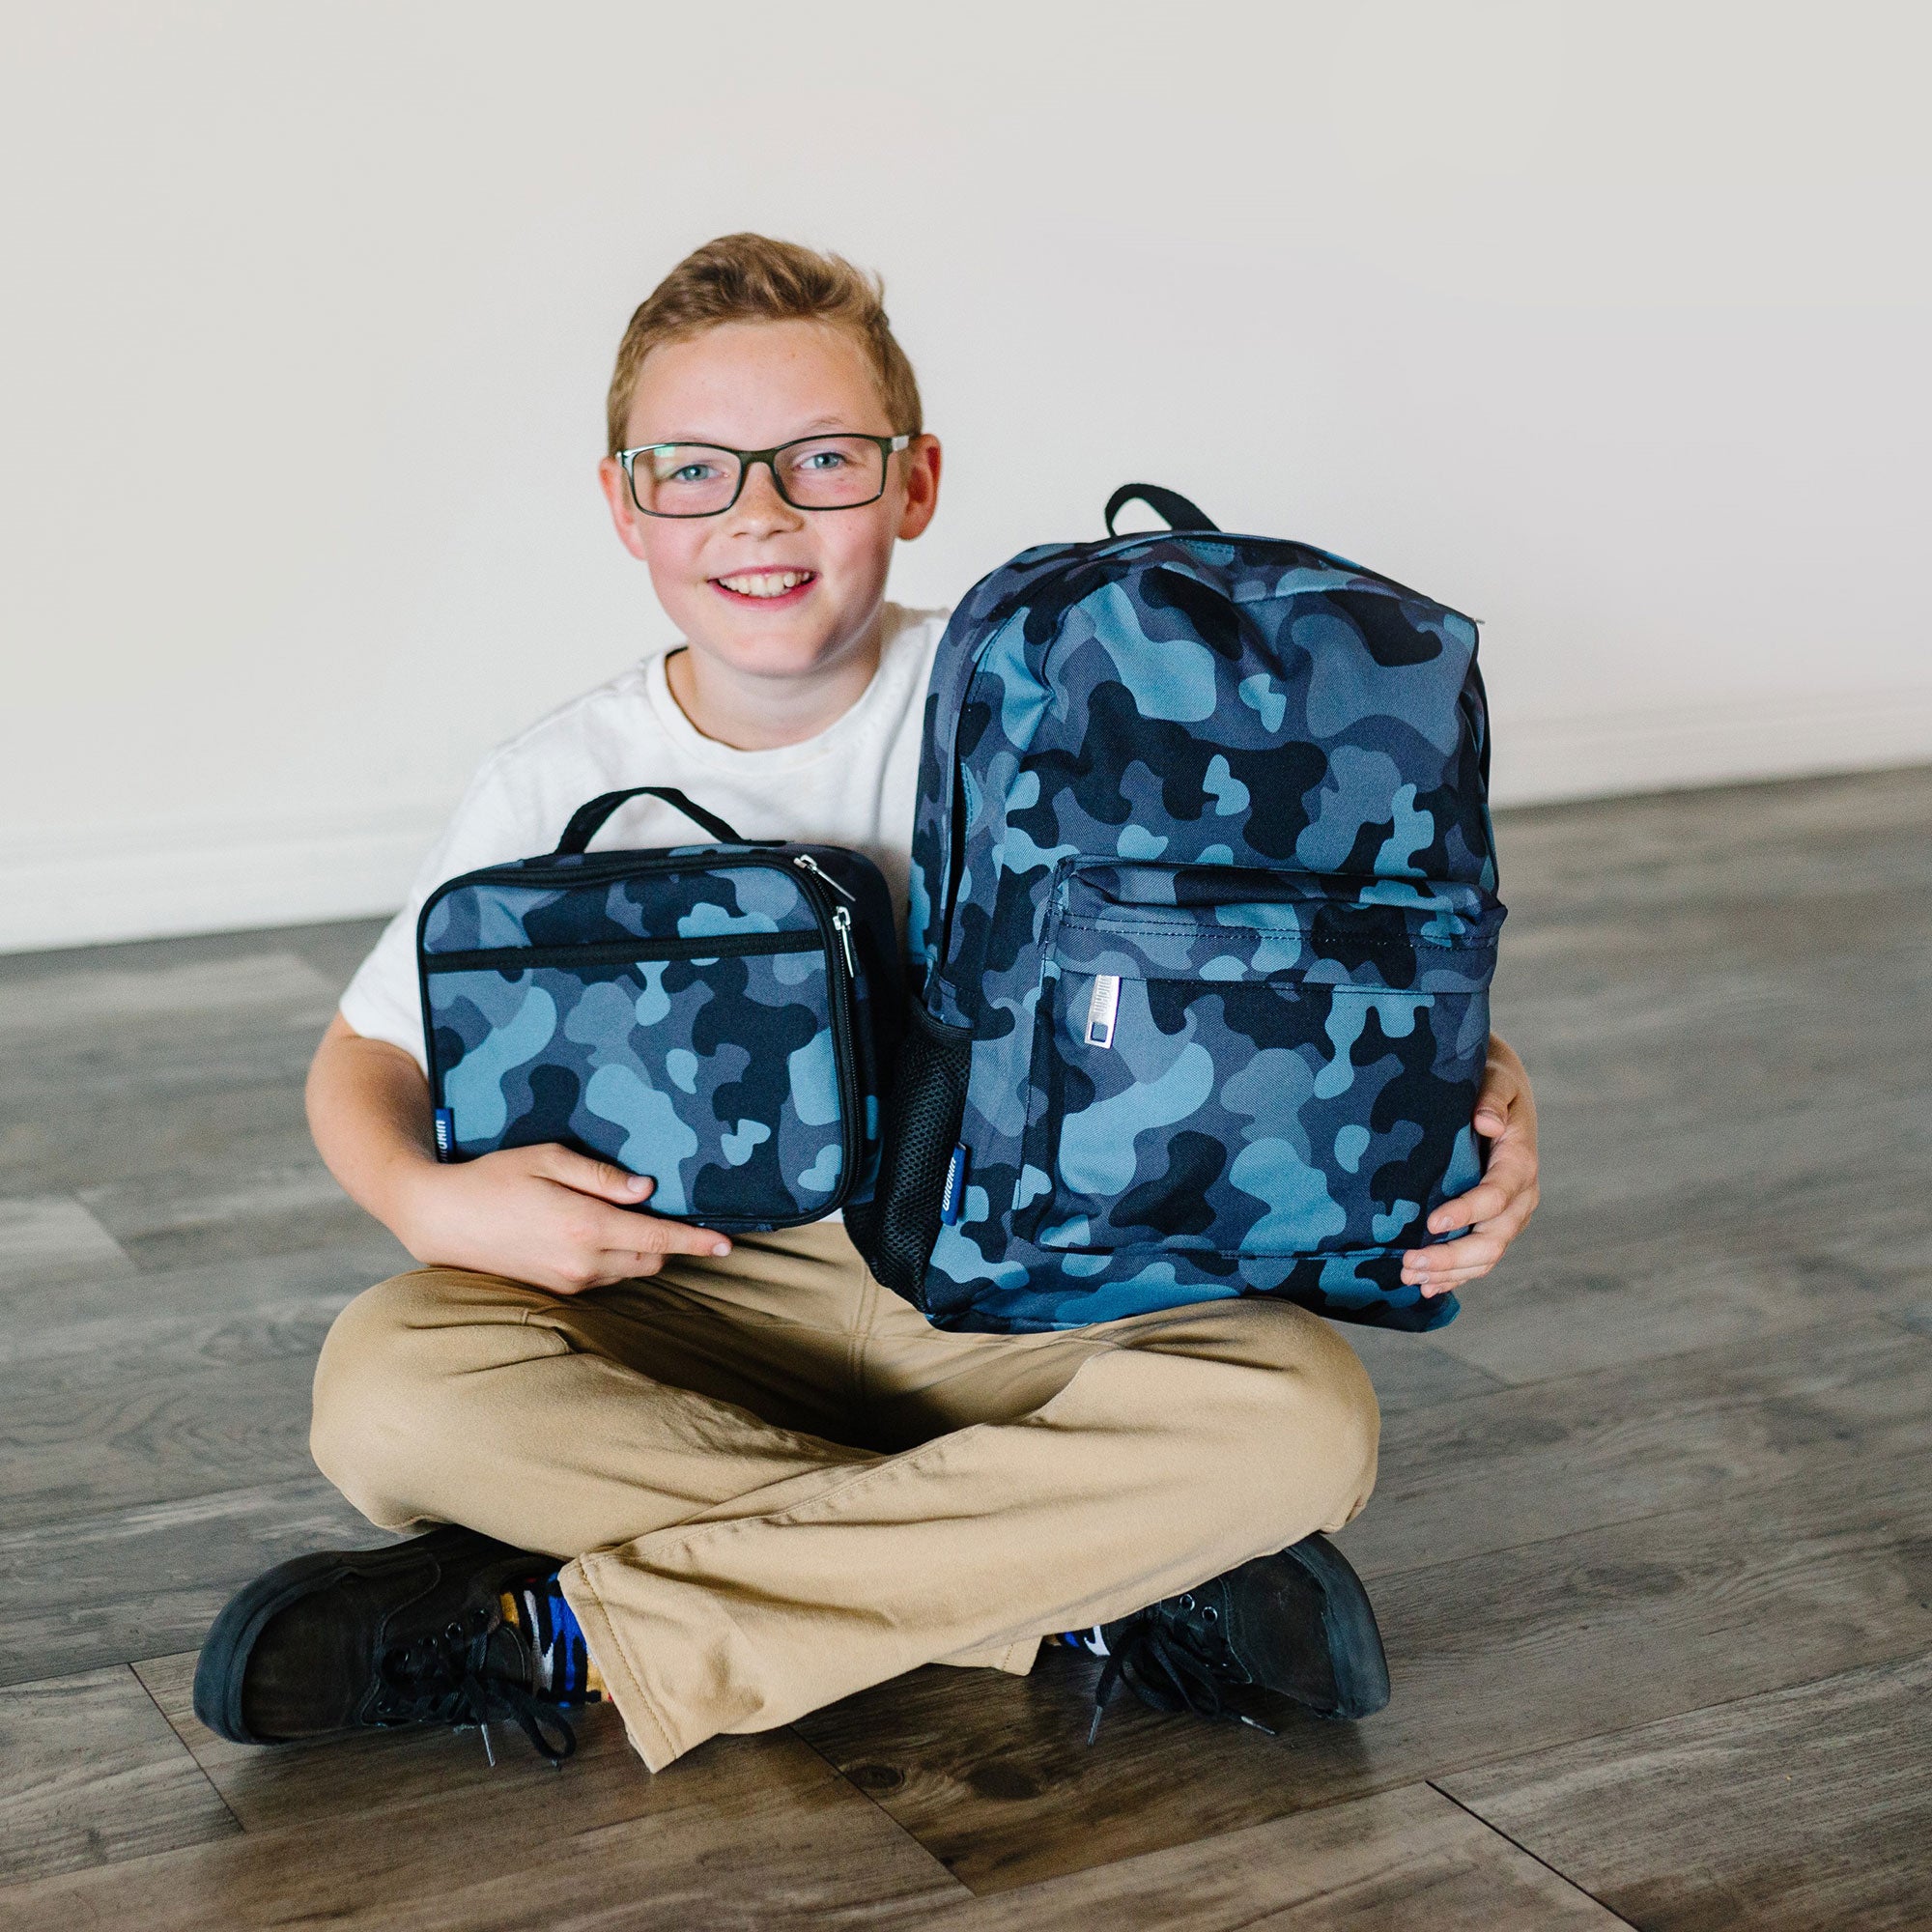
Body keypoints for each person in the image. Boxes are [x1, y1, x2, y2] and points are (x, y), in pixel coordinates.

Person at [193, 234, 1542, 1771]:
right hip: (693, 1290)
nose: (759, 514)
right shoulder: (554, 781)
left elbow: (1282, 955)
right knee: (385, 1394)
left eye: (820, 460)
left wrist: (1485, 1095)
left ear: (913, 484)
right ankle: (1071, 1591)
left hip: (1008, 1290)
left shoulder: (1056, 700)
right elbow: (362, 1057)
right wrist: (434, 1209)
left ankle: (578, 1630)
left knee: (1310, 1418)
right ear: (625, 504)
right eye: (695, 470)